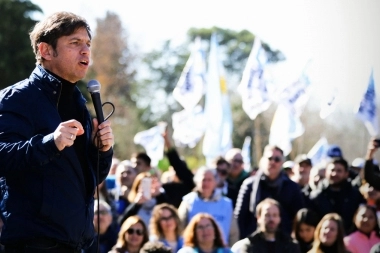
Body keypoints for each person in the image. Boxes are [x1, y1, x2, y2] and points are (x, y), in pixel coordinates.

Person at [0, 11, 114, 252]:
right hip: (36, 244)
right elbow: (3, 157)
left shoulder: (80, 104)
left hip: (81, 243)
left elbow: (91, 179)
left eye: (88, 44)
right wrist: (50, 142)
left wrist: (101, 151)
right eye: (75, 43)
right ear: (46, 51)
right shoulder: (16, 99)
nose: (85, 51)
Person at [234, 144, 305, 238]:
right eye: (269, 158)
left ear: (282, 162)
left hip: (282, 242)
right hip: (254, 240)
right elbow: (239, 217)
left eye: (277, 159)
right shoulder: (249, 185)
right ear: (263, 160)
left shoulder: (292, 187)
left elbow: (297, 218)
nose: (272, 162)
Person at [178, 166, 239, 246]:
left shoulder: (226, 204)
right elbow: (179, 228)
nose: (206, 183)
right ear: (197, 182)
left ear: (215, 182)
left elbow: (233, 233)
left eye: (209, 180)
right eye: (203, 180)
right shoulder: (188, 201)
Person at [308, 157, 366, 233]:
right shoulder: (316, 196)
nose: (335, 174)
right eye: (332, 170)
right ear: (326, 172)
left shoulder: (355, 195)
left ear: (346, 174)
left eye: (339, 171)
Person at [231, 198, 301, 253]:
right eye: (267, 215)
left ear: (279, 218)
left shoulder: (290, 245)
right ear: (259, 218)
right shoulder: (249, 245)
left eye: (275, 215)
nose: (271, 219)